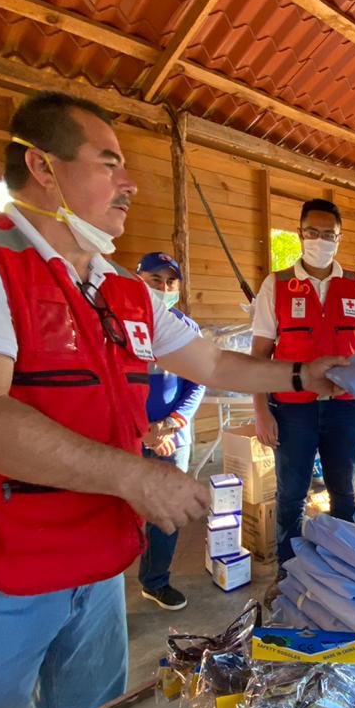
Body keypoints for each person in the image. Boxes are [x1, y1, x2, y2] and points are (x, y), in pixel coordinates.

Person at [0, 91, 346, 708]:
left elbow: (213, 364)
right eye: (109, 163)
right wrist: (137, 476)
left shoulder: (120, 288)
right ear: (41, 165)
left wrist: (307, 372)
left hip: (95, 562)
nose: (130, 183)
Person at [250, 199, 355, 568]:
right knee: (292, 494)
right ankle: (290, 573)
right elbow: (258, 356)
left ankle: (344, 569)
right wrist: (261, 411)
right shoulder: (276, 285)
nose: (320, 240)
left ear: (339, 238)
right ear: (299, 233)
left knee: (345, 493)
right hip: (292, 410)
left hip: (345, 408)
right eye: (313, 232)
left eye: (329, 234)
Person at [134, 251, 203, 610]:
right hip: (128, 436)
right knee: (119, 511)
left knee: (166, 511)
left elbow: (197, 383)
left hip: (172, 436)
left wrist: (171, 425)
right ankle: (103, 584)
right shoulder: (120, 325)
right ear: (138, 280)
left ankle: (155, 581)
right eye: (154, 280)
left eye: (170, 281)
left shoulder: (185, 329)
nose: (163, 288)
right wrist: (139, 429)